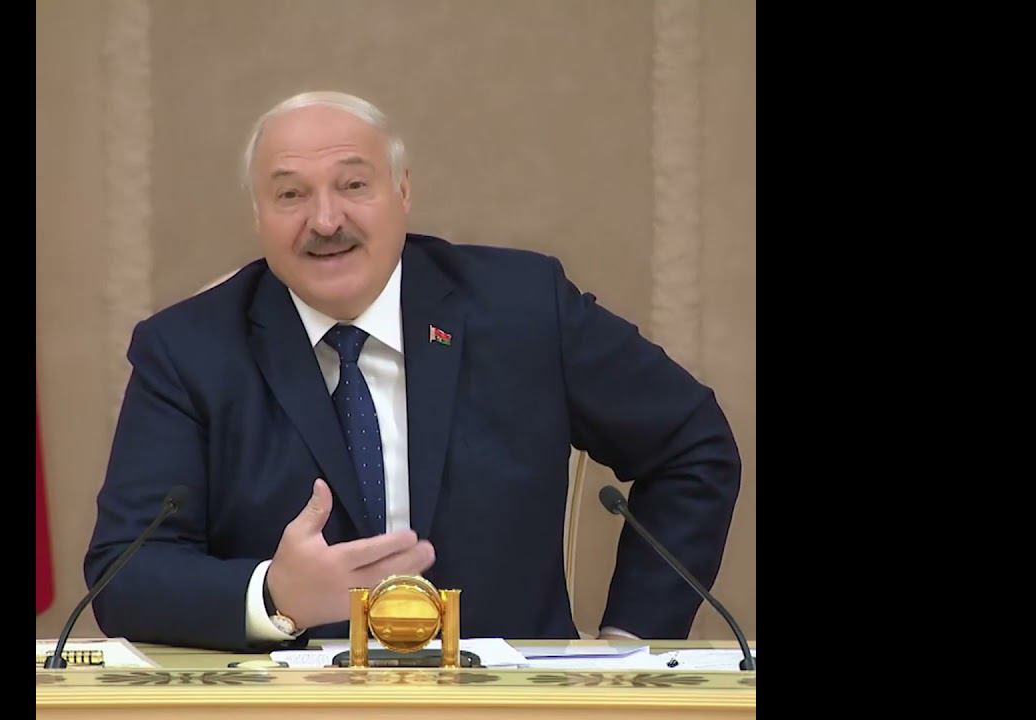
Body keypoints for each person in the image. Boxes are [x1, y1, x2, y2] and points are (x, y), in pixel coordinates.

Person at [84, 91, 741, 652]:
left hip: (508, 707)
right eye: (290, 194)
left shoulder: (522, 309)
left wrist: (631, 642)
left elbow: (693, 446)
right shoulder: (188, 351)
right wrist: (274, 597)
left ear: (402, 192)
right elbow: (125, 572)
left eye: (353, 185)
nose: (326, 220)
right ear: (257, 217)